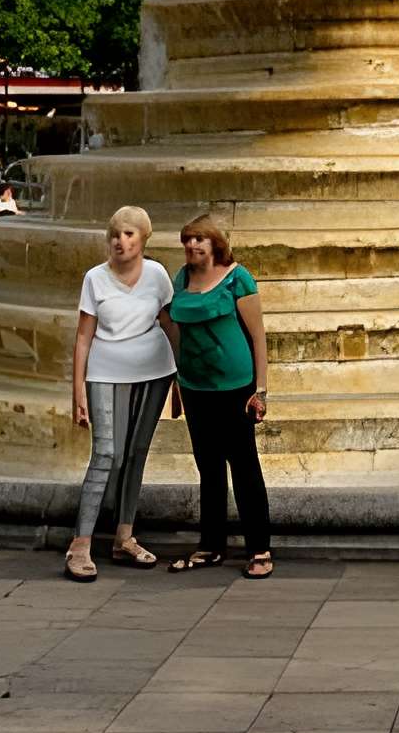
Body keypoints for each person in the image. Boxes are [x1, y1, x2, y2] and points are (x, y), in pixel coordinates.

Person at [66, 206, 176, 582]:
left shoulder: (158, 275)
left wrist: (183, 378)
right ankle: (80, 544)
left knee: (136, 452)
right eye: (115, 234)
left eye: (128, 234)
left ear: (144, 239)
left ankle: (123, 537)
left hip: (155, 371)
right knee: (107, 454)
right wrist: (77, 389)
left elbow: (169, 324)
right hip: (105, 371)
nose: (120, 241)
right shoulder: (95, 278)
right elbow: (83, 337)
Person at [167, 215, 273, 579]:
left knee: (244, 467)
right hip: (196, 386)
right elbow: (176, 331)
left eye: (199, 239)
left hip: (235, 387)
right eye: (187, 240)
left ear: (215, 243)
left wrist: (260, 389)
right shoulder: (181, 278)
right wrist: (177, 380)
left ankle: (259, 547)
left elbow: (258, 336)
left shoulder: (237, 278)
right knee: (208, 466)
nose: (192, 246)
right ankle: (211, 544)